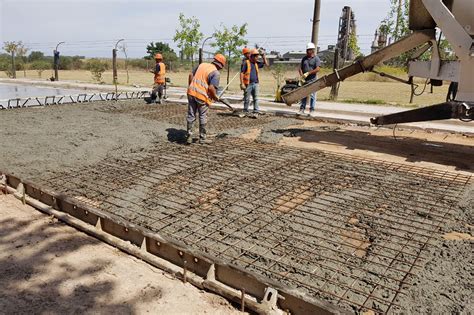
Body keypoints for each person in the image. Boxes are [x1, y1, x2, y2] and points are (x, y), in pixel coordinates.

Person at [186, 54, 226, 145]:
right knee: (202, 116)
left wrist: (191, 87)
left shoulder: (202, 65)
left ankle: (189, 136)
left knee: (191, 115)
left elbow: (190, 75)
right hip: (202, 97)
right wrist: (215, 96)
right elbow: (211, 88)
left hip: (191, 93)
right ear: (220, 65)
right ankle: (202, 139)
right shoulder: (216, 73)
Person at [240, 48, 268, 115]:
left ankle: (256, 111)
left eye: (257, 56)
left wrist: (263, 56)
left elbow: (265, 64)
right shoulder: (246, 63)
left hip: (256, 84)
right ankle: (245, 110)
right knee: (247, 99)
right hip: (248, 84)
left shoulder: (256, 64)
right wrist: (242, 84)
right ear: (251, 56)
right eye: (255, 56)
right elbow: (242, 73)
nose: (257, 58)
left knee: (256, 98)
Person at [298, 43, 321, 116]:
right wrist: (302, 75)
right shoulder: (304, 58)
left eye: (309, 50)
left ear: (312, 51)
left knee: (312, 95)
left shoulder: (316, 59)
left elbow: (318, 69)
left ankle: (312, 110)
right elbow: (300, 68)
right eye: (307, 50)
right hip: (305, 80)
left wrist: (309, 73)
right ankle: (302, 109)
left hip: (312, 80)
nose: (307, 51)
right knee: (303, 95)